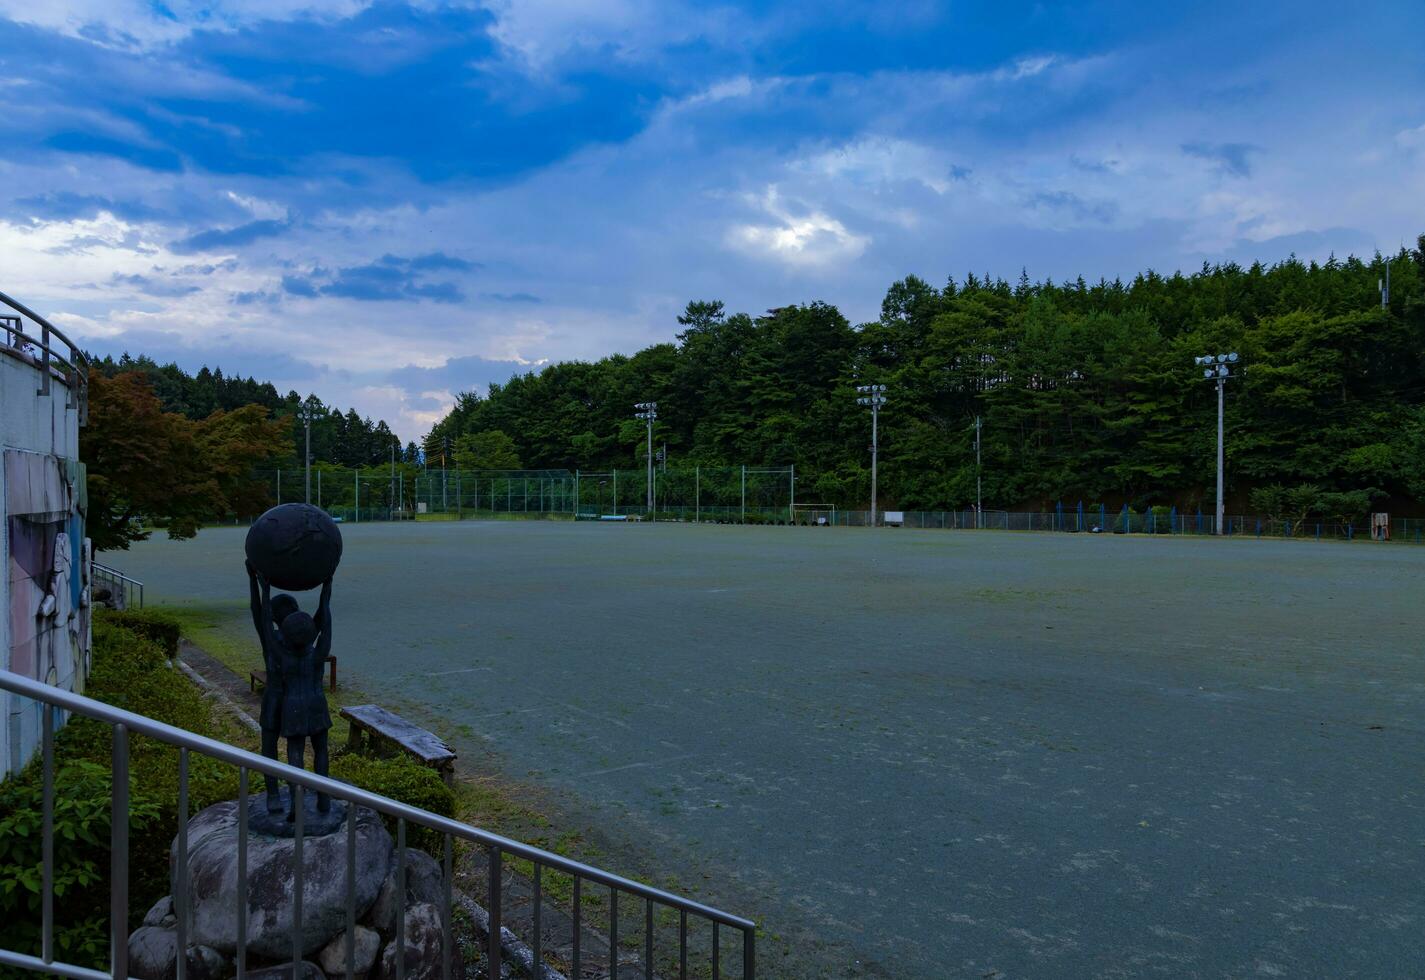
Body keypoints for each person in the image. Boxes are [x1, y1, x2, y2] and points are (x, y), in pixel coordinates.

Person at [257, 572, 335, 818]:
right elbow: (326, 622)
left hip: (293, 707)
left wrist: (264, 588)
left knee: (295, 754)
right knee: (321, 750)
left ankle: (296, 802)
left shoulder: (282, 655)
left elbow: (268, 632)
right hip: (317, 704)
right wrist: (326, 585)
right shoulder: (318, 655)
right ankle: (324, 798)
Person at [248, 561, 299, 811]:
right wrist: (258, 584)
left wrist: (258, 584)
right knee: (288, 748)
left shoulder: (297, 639)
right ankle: (278, 793)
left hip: (283, 698)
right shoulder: (275, 638)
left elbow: (258, 612)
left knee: (276, 746)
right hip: (283, 697)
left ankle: (281, 793)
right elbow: (259, 612)